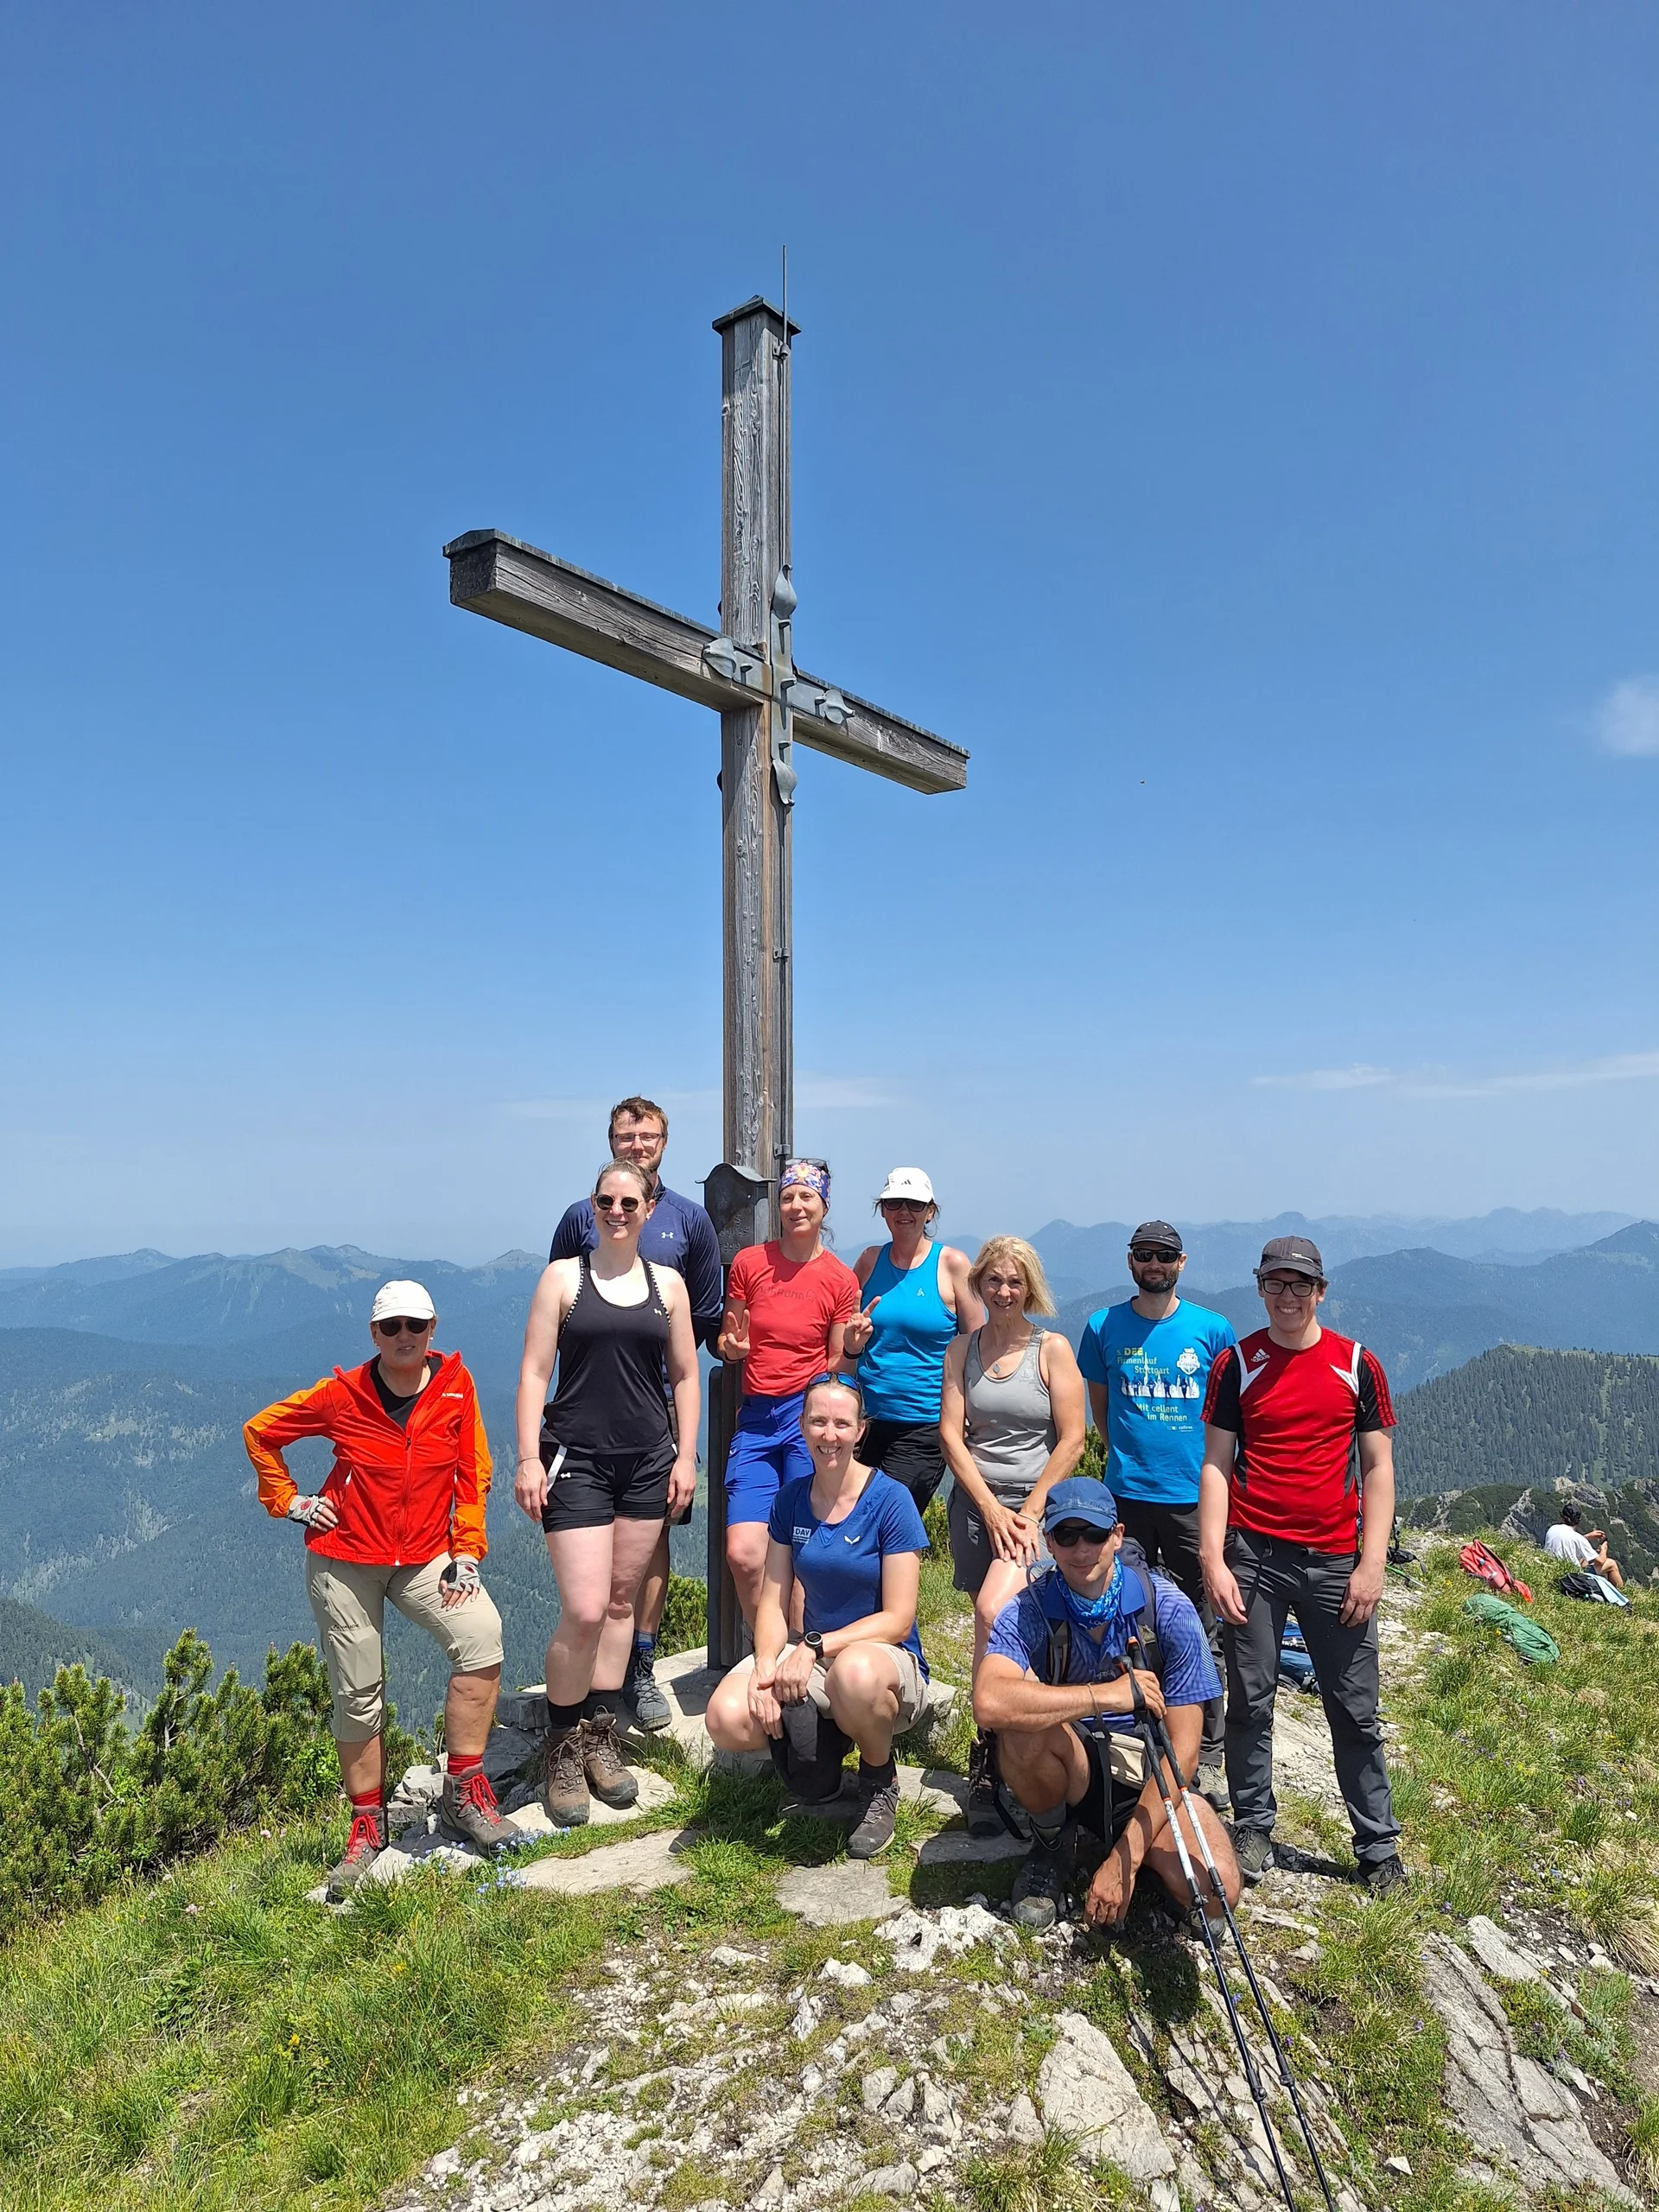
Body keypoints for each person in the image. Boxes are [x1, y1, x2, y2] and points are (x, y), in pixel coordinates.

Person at [244, 1280, 515, 1898]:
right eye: (391, 1327)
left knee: (481, 1636)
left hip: (425, 1556)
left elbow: (473, 1474)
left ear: (432, 1329)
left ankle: (465, 1795)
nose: (403, 1337)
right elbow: (261, 1432)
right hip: (344, 1560)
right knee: (358, 1688)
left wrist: (467, 1551)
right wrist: (290, 1502)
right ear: (374, 1335)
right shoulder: (342, 1395)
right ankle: (368, 1828)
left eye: (414, 1326)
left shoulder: (455, 1385)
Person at [1198, 1236, 1407, 1895]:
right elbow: (1216, 1464)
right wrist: (1213, 1557)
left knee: (1355, 1710)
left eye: (1300, 1285)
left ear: (1321, 1290)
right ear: (1259, 1287)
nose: (1287, 1296)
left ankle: (1378, 1849)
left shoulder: (1356, 1364)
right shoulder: (1236, 1364)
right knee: (1251, 1702)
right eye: (1275, 1283)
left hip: (1335, 1561)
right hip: (1254, 1554)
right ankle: (1254, 1825)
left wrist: (1372, 1561)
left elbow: (1377, 1467)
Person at [515, 1160, 701, 1826]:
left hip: (650, 1459)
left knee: (623, 1602)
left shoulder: (669, 1286)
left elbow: (685, 1374)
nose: (616, 1210)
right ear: (592, 1207)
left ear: (650, 1207)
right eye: (605, 1200)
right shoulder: (564, 1278)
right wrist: (528, 1459)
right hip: (577, 1460)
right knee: (588, 1608)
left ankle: (599, 1738)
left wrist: (686, 1456)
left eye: (629, 1201)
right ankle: (562, 1747)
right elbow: (535, 1371)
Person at [975, 1475, 1238, 1933]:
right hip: (1075, 1761)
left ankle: (1131, 1850)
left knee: (1218, 1893)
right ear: (1048, 1543)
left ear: (1117, 1537)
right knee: (1020, 1725)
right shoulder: (1029, 1608)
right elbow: (989, 1701)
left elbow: (1184, 1753)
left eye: (1095, 1534)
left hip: (1149, 1773)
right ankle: (1055, 1843)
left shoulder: (1167, 1609)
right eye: (1066, 1535)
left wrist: (1124, 1860)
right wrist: (1105, 1696)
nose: (1082, 1549)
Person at [549, 1094, 722, 1731]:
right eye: (627, 1136)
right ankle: (592, 1689)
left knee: (649, 1549)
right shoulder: (578, 1218)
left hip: (657, 1414)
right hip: (590, 1419)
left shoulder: (690, 1221)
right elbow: (563, 1307)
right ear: (611, 1140)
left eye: (648, 1136)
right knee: (595, 1574)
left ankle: (640, 1666)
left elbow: (701, 1319)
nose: (637, 1145)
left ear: (664, 1144)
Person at [705, 1372, 931, 1859]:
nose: (830, 1435)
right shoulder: (791, 1500)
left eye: (841, 1424)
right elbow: (772, 1598)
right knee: (725, 1717)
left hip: (881, 1663)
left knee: (854, 1674)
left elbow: (898, 1618)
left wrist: (812, 1647)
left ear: (861, 1431)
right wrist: (765, 1669)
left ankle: (877, 1781)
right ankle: (818, 1754)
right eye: (818, 1421)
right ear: (803, 1426)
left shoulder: (891, 1501)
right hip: (817, 1658)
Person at [1077, 1221, 1236, 1807]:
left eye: (1164, 1256)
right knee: (1125, 1618)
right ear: (1130, 1262)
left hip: (1196, 1499)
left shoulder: (1213, 1331)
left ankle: (1209, 1755)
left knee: (1202, 1624)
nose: (1154, 1263)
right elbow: (1102, 1409)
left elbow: (1226, 1420)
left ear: (1181, 1262)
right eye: (1144, 1255)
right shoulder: (1101, 1328)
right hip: (1126, 1498)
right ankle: (1132, 1741)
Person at [939, 1235, 1086, 1834]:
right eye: (994, 1281)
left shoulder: (1051, 1350)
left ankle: (997, 1747)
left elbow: (1073, 1438)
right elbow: (952, 1435)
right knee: (1006, 1627)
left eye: (1014, 1282)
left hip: (1033, 1509)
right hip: (977, 1507)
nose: (1003, 1292)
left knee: (993, 1610)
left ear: (1030, 1288)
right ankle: (1012, 1750)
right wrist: (990, 1509)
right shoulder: (962, 1349)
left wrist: (1025, 1511)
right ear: (978, 1284)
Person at [716, 1160, 861, 1624]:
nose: (796, 1206)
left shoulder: (840, 1279)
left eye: (806, 1197)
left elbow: (837, 1365)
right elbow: (728, 1339)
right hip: (758, 1418)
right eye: (787, 1197)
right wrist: (732, 1349)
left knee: (803, 1557)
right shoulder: (749, 1264)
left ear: (824, 1206)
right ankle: (769, 1656)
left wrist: (855, 1350)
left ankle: (796, 1668)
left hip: (811, 1421)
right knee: (743, 1553)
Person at [837, 1167, 982, 1510]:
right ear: (883, 1209)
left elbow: (977, 1344)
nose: (904, 1212)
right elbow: (847, 1327)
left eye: (915, 1204)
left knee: (885, 1514)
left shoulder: (952, 1265)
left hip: (924, 1423)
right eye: (895, 1203)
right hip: (866, 1422)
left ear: (930, 1211)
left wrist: (966, 1417)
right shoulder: (869, 1261)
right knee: (857, 1519)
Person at [1544, 1500, 1625, 1590]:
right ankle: (1622, 1592)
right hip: (1573, 1577)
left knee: (1584, 1559)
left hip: (1551, 1568)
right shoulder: (1578, 1538)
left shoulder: (1553, 1528)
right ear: (1578, 1521)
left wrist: (1587, 1537)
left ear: (1563, 1517)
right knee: (1611, 1563)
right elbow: (1601, 1561)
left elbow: (1568, 1541)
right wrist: (1603, 1549)